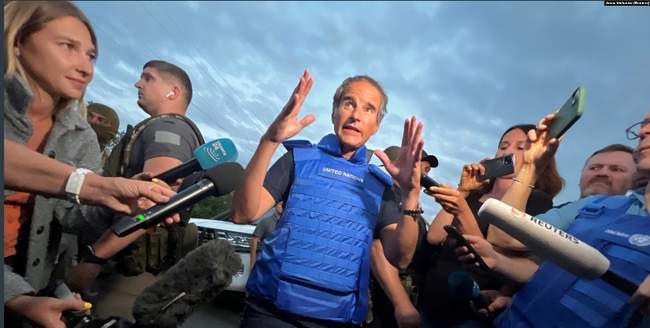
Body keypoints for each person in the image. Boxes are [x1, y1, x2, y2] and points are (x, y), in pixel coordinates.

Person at [232, 71, 425, 327]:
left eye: (368, 109)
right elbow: (243, 214)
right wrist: (269, 140)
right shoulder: (298, 159)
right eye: (348, 103)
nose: (356, 115)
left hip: (336, 320)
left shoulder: (381, 185)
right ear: (334, 111)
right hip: (269, 313)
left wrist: (411, 195)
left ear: (377, 124)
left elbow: (399, 258)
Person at [457, 111, 650, 327]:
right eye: (643, 124)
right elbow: (506, 238)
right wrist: (531, 166)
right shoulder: (593, 206)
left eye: (616, 169)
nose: (644, 130)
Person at [71, 60, 204, 319]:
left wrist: (93, 261)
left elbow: (152, 203)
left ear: (172, 92)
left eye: (148, 78)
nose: (137, 83)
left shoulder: (167, 128)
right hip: (122, 261)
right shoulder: (163, 127)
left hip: (124, 269)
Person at [3, 1, 101, 326]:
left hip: (30, 276)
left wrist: (119, 204)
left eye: (90, 55)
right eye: (68, 47)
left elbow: (73, 216)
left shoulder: (82, 134)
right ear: (17, 42)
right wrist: (13, 294)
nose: (86, 68)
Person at [418, 124, 561, 327]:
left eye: (521, 147)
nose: (508, 152)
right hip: (432, 302)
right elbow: (435, 236)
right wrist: (463, 190)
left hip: (473, 312)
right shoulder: (475, 194)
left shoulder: (537, 201)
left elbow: (493, 254)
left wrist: (462, 210)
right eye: (503, 146)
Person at [368, 146, 438, 328]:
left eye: (427, 170)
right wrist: (402, 304)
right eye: (421, 167)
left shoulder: (408, 204)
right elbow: (376, 247)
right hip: (386, 309)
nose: (425, 174)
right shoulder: (387, 197)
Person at [4, 140, 174, 212]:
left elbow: (70, 216)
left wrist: (112, 200)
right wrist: (99, 187)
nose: (87, 70)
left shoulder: (84, 137)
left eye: (92, 62)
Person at [250, 202, 283, 268]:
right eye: (281, 205)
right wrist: (253, 262)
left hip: (279, 262)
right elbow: (254, 240)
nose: (282, 207)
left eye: (284, 205)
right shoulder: (265, 222)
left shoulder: (287, 224)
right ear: (276, 206)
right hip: (264, 260)